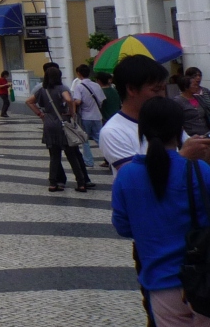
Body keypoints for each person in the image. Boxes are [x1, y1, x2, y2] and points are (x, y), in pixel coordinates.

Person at [112, 97, 210, 327]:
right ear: (179, 129)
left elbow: (123, 227)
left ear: (142, 130)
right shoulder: (199, 170)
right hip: (205, 279)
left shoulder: (127, 176)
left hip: (161, 283)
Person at [27, 67, 92, 192]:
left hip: (49, 124)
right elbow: (68, 99)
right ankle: (81, 183)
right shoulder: (61, 88)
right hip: (62, 123)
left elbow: (29, 101)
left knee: (54, 156)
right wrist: (72, 112)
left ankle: (53, 183)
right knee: (71, 155)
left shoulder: (42, 90)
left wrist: (40, 114)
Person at [73, 64, 107, 168]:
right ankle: (110, 157)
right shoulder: (96, 85)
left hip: (85, 116)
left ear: (79, 73)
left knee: (85, 140)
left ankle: (88, 161)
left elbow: (78, 101)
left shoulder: (79, 86)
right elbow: (102, 100)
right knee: (99, 138)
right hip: (97, 115)